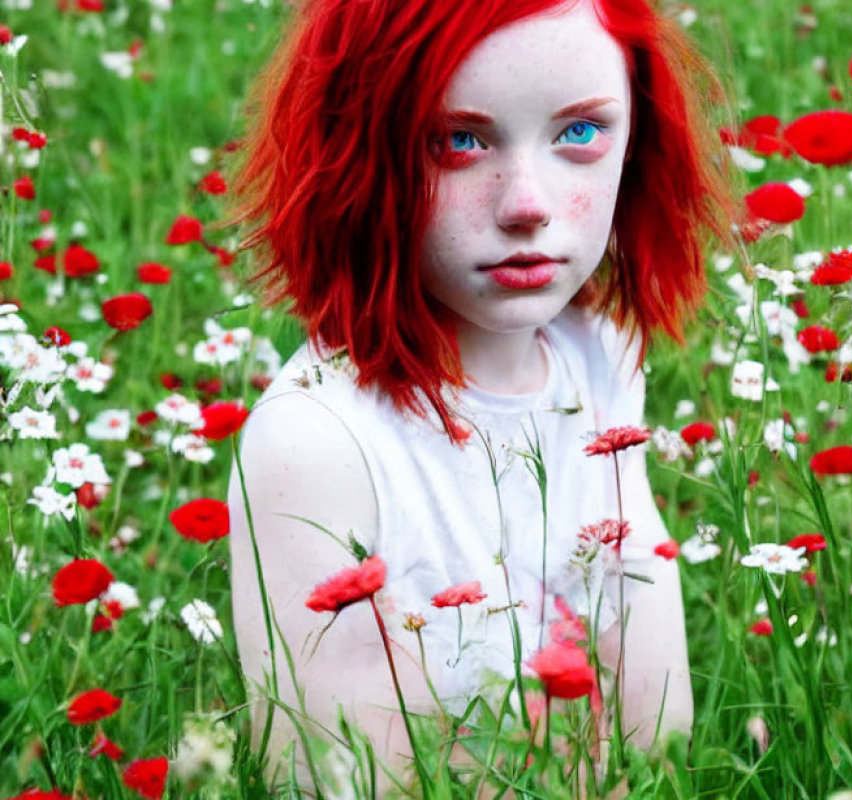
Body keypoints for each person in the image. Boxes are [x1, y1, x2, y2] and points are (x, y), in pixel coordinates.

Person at [227, 0, 730, 794]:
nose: (527, 202)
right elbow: (334, 771)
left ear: (640, 136)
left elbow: (642, 637)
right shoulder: (319, 440)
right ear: (360, 149)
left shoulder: (599, 357)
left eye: (579, 133)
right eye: (459, 141)